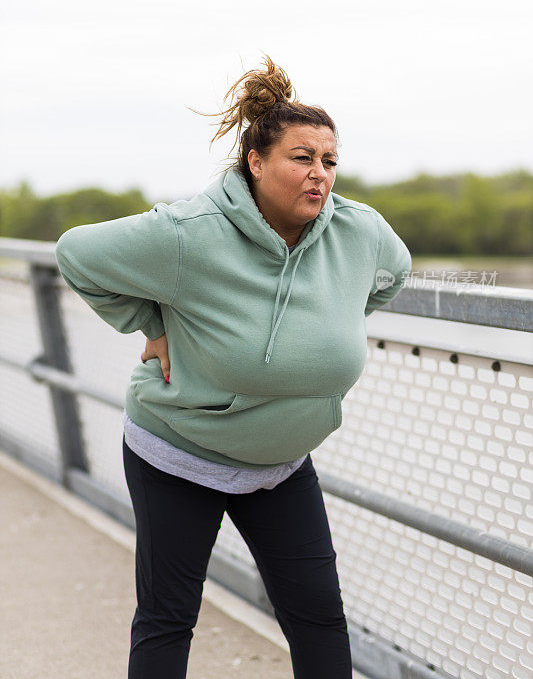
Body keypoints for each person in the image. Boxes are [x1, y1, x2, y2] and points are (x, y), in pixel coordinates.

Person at [54, 54, 412, 678]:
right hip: (180, 452)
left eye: (329, 161)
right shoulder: (190, 234)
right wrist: (154, 325)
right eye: (302, 158)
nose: (320, 174)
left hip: (280, 464)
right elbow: (76, 254)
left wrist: (325, 328)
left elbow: (391, 277)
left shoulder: (361, 233)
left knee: (320, 617)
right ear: (256, 161)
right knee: (169, 619)